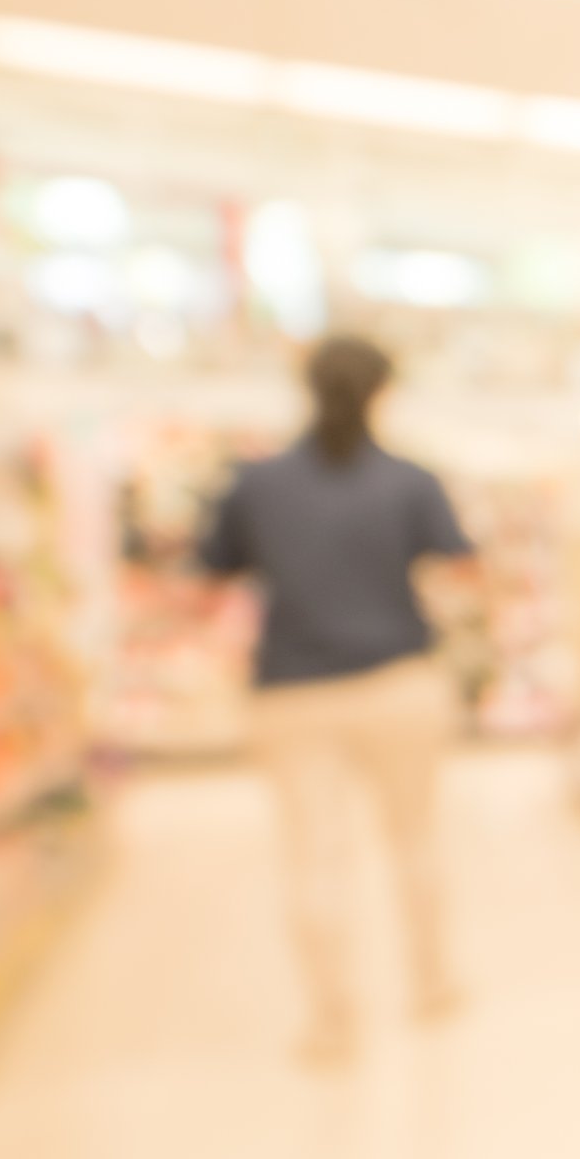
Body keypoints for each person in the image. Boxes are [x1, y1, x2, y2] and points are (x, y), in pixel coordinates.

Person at [198, 334, 475, 1065]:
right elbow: (458, 568)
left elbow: (214, 569)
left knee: (315, 858)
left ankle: (332, 1021)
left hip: (292, 690)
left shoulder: (256, 484)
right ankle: (432, 984)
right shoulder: (412, 481)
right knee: (414, 840)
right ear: (383, 392)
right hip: (399, 681)